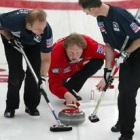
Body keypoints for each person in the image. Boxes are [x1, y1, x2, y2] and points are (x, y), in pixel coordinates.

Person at [78, 0, 140, 140]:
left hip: (136, 55)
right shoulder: (100, 18)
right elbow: (108, 45)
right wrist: (107, 70)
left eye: (86, 11)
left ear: (93, 8)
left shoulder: (120, 15)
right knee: (123, 92)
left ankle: (127, 133)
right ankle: (123, 122)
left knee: (128, 94)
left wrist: (126, 53)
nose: (86, 14)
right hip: (127, 56)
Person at [0, 9, 53, 118]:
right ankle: (11, 106)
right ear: (28, 25)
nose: (42, 31)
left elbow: (46, 59)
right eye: (39, 29)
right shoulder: (12, 21)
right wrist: (10, 37)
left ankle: (31, 106)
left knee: (35, 74)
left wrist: (43, 77)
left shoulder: (46, 32)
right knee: (16, 73)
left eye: (43, 27)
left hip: (33, 44)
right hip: (13, 41)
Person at [48, 33, 118, 106]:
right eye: (71, 52)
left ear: (83, 49)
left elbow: (115, 57)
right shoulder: (55, 55)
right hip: (63, 70)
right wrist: (65, 94)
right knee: (60, 83)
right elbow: (54, 83)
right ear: (66, 49)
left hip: (78, 66)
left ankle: (70, 87)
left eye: (77, 52)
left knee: (97, 61)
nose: (74, 56)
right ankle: (67, 89)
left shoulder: (91, 46)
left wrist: (107, 77)